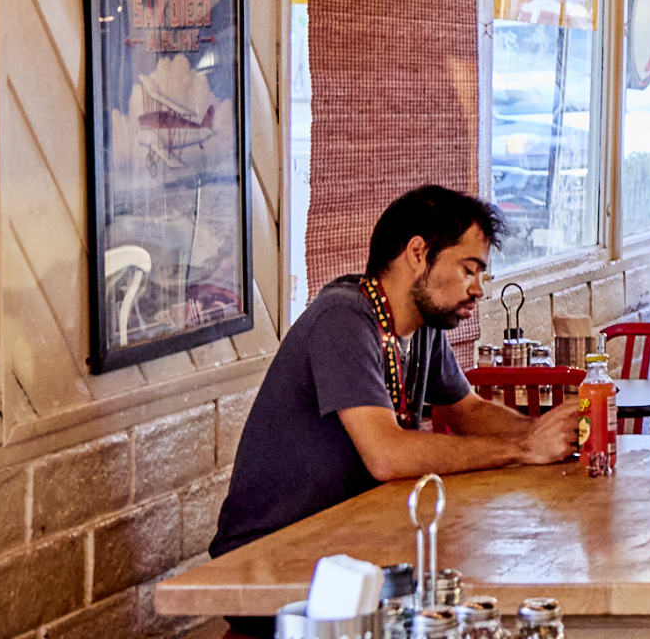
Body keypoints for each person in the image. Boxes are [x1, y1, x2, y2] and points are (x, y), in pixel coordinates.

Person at [211, 184, 571, 557]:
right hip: (273, 553)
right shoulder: (344, 318)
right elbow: (386, 455)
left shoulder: (425, 326)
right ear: (418, 252)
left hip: (350, 538)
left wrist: (549, 433)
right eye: (469, 270)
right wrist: (523, 449)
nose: (479, 289)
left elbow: (469, 410)